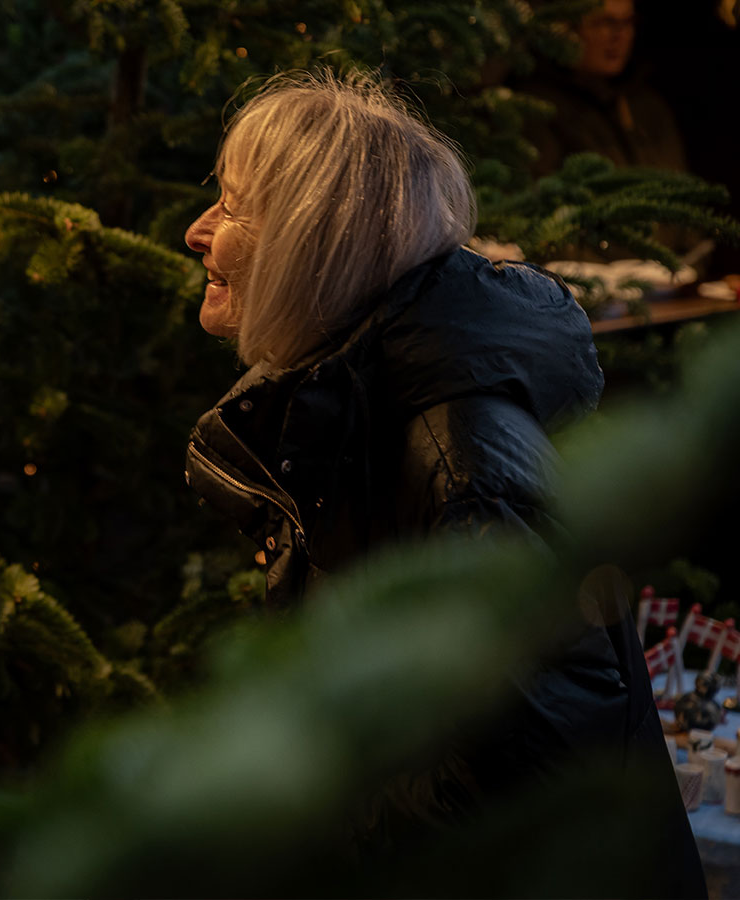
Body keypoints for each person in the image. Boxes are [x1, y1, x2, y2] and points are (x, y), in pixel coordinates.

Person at [182, 70, 703, 894]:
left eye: (235, 206)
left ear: (317, 243)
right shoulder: (357, 406)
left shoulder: (464, 462)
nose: (196, 231)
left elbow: (535, 776)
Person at [519, 0, 687, 176]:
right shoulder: (538, 108)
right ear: (565, 28)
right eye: (605, 22)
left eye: (628, 22)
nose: (619, 35)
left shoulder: (646, 106)